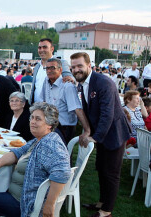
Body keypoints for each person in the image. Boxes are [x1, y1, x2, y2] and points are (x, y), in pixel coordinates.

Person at [0, 102, 71, 217]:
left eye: (38, 119)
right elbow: (17, 152)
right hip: (18, 195)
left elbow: (63, 172)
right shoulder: (38, 140)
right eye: (32, 118)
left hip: (26, 203)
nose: (32, 121)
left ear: (49, 124)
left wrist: (49, 204)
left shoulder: (50, 144)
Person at [70, 52, 131, 217]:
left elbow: (107, 115)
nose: (76, 70)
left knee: (111, 173)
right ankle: (101, 202)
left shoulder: (104, 83)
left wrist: (94, 137)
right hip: (101, 133)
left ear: (89, 65)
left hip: (114, 133)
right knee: (102, 169)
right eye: (73, 67)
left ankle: (106, 211)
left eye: (80, 66)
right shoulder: (82, 83)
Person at [41, 58, 91, 145]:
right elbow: (44, 101)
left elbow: (77, 109)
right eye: (47, 68)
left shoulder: (67, 86)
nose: (49, 70)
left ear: (60, 70)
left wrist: (87, 130)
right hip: (50, 126)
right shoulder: (46, 81)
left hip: (64, 128)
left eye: (53, 68)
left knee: (64, 155)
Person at [30, 38, 72, 103]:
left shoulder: (61, 63)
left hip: (53, 108)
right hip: (36, 107)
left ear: (52, 49)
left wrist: (70, 78)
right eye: (39, 48)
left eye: (45, 47)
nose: (42, 50)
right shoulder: (37, 67)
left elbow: (70, 79)